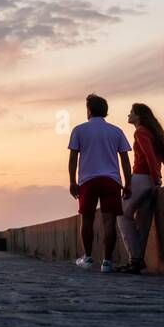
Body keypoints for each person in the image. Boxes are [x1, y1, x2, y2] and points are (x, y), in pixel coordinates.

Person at [67, 94, 131, 273]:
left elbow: (73, 159)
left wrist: (72, 181)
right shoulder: (116, 131)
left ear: (89, 110)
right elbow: (125, 159)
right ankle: (107, 262)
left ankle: (87, 258)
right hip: (111, 181)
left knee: (87, 219)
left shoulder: (79, 130)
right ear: (105, 111)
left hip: (88, 181)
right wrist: (128, 183)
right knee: (109, 221)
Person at [116, 103, 164, 274]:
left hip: (141, 178)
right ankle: (136, 262)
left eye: (131, 113)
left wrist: (156, 178)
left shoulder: (140, 131)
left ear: (139, 116)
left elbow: (149, 155)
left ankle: (135, 259)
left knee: (122, 214)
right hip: (151, 181)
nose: (128, 115)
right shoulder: (155, 134)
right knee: (143, 222)